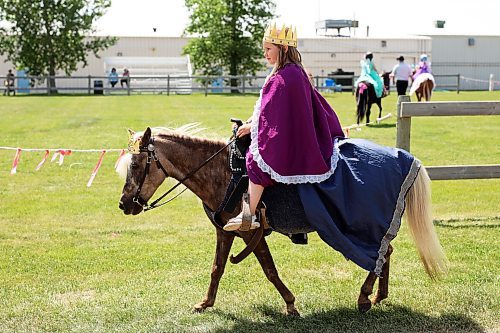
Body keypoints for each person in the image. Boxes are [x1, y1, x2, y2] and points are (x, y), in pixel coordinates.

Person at [223, 23, 344, 231]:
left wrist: (252, 127)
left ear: (284, 48)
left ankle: (249, 214)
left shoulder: (285, 77)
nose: (265, 54)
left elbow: (275, 117)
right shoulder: (291, 72)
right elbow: (272, 110)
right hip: (297, 129)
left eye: (269, 49)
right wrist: (253, 122)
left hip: (292, 134)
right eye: (264, 49)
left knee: (256, 159)